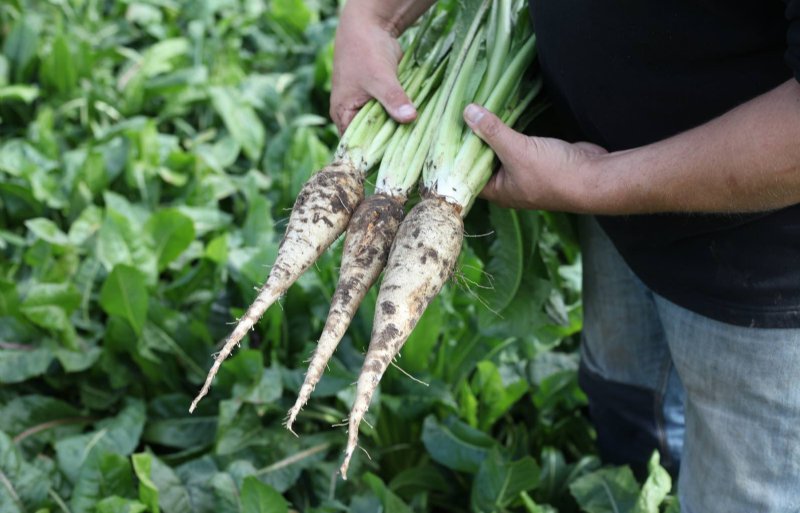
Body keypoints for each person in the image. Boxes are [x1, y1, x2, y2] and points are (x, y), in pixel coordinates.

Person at [330, 1, 800, 512]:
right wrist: (372, 16)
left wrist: (596, 181)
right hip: (603, 195)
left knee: (745, 493)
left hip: (766, 274)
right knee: (624, 398)